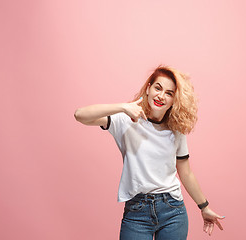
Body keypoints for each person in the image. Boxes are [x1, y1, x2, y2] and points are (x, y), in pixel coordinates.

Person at [74, 65, 225, 239]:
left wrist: (204, 207)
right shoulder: (126, 121)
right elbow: (80, 115)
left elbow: (186, 173)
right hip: (137, 212)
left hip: (173, 211)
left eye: (169, 93)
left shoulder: (176, 130)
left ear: (174, 100)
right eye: (158, 88)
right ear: (148, 89)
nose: (161, 96)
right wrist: (123, 107)